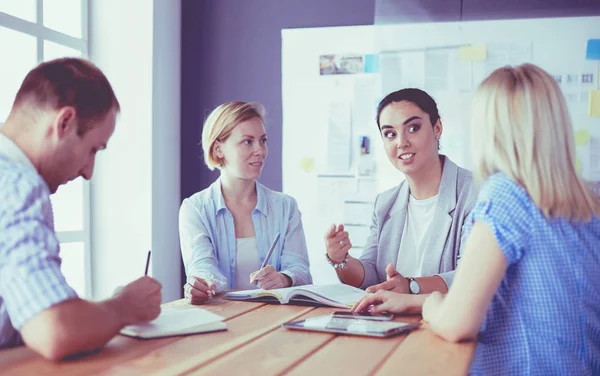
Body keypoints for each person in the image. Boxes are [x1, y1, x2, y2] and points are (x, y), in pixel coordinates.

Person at [354, 64, 600, 375]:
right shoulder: (591, 198)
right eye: (389, 133)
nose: (401, 141)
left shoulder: (504, 195)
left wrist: (428, 305)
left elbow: (458, 324)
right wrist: (412, 300)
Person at [0, 58, 162, 360]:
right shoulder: (18, 186)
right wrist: (124, 305)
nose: (88, 172)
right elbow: (54, 331)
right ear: (64, 123)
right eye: (92, 150)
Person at [324, 88, 477, 312]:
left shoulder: (475, 193)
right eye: (390, 134)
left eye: (412, 128)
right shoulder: (385, 203)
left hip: (449, 327)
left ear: (437, 128)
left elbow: (471, 277)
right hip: (392, 328)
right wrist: (340, 259)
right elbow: (370, 276)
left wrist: (411, 286)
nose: (401, 142)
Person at [180, 101, 312, 304]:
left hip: (273, 320)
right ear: (218, 149)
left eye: (263, 140)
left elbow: (300, 269)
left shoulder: (286, 207)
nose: (260, 150)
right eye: (247, 141)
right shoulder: (195, 209)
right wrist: (204, 284)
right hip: (221, 320)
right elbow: (201, 266)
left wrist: (283, 278)